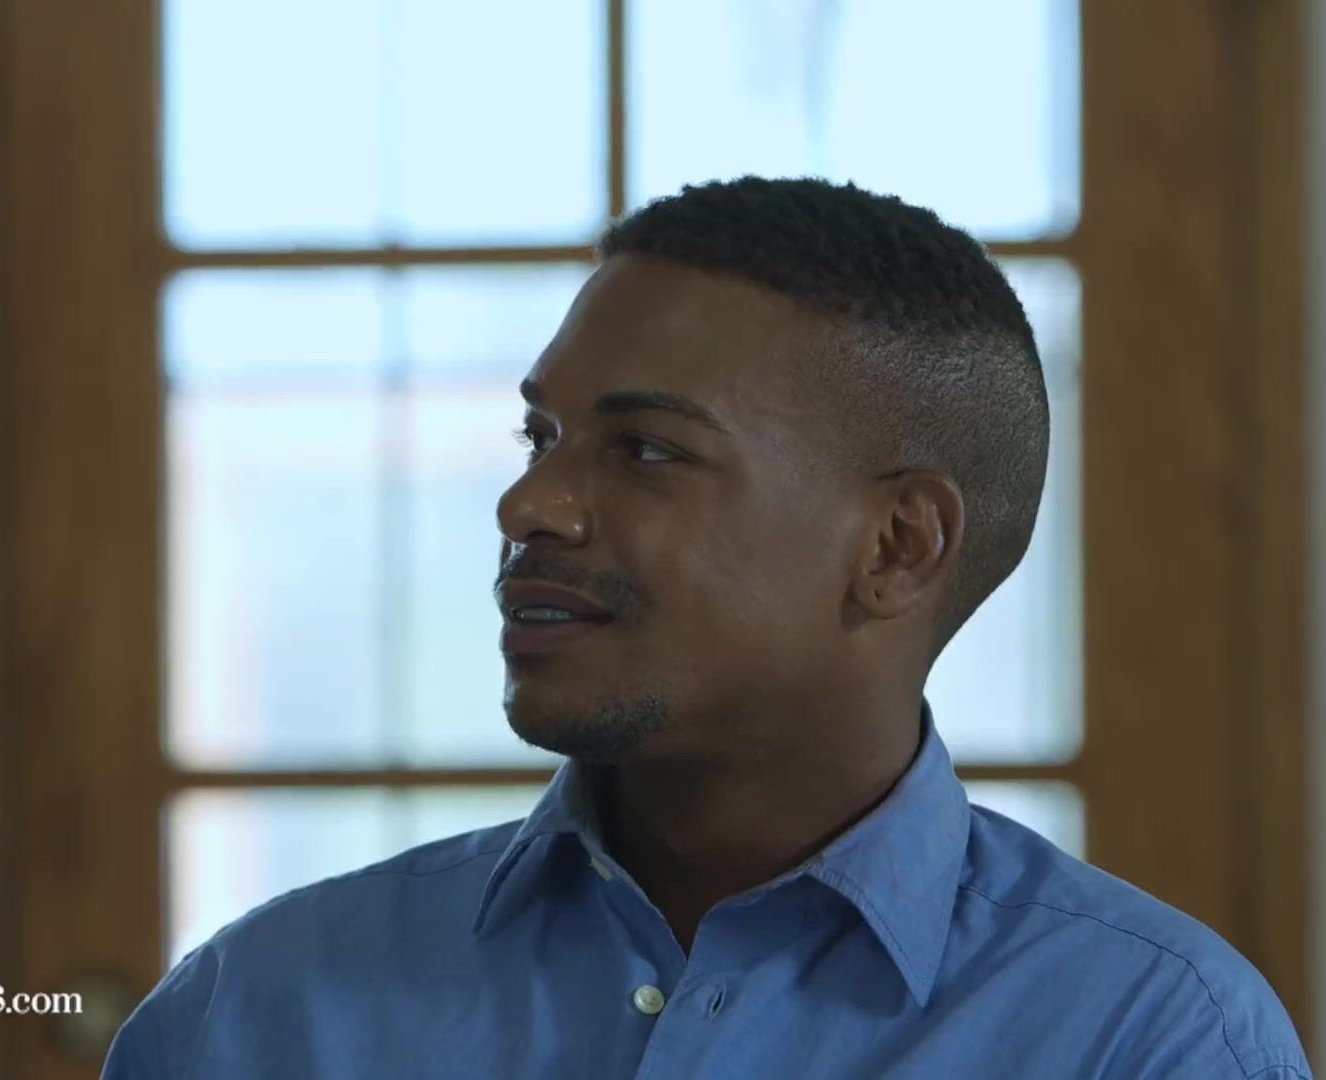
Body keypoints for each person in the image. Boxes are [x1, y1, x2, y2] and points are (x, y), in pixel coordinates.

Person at [100, 176, 1311, 1078]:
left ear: (896, 548)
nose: (527, 505)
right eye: (540, 437)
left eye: (644, 450)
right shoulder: (256, 1016)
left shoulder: (1144, 1038)